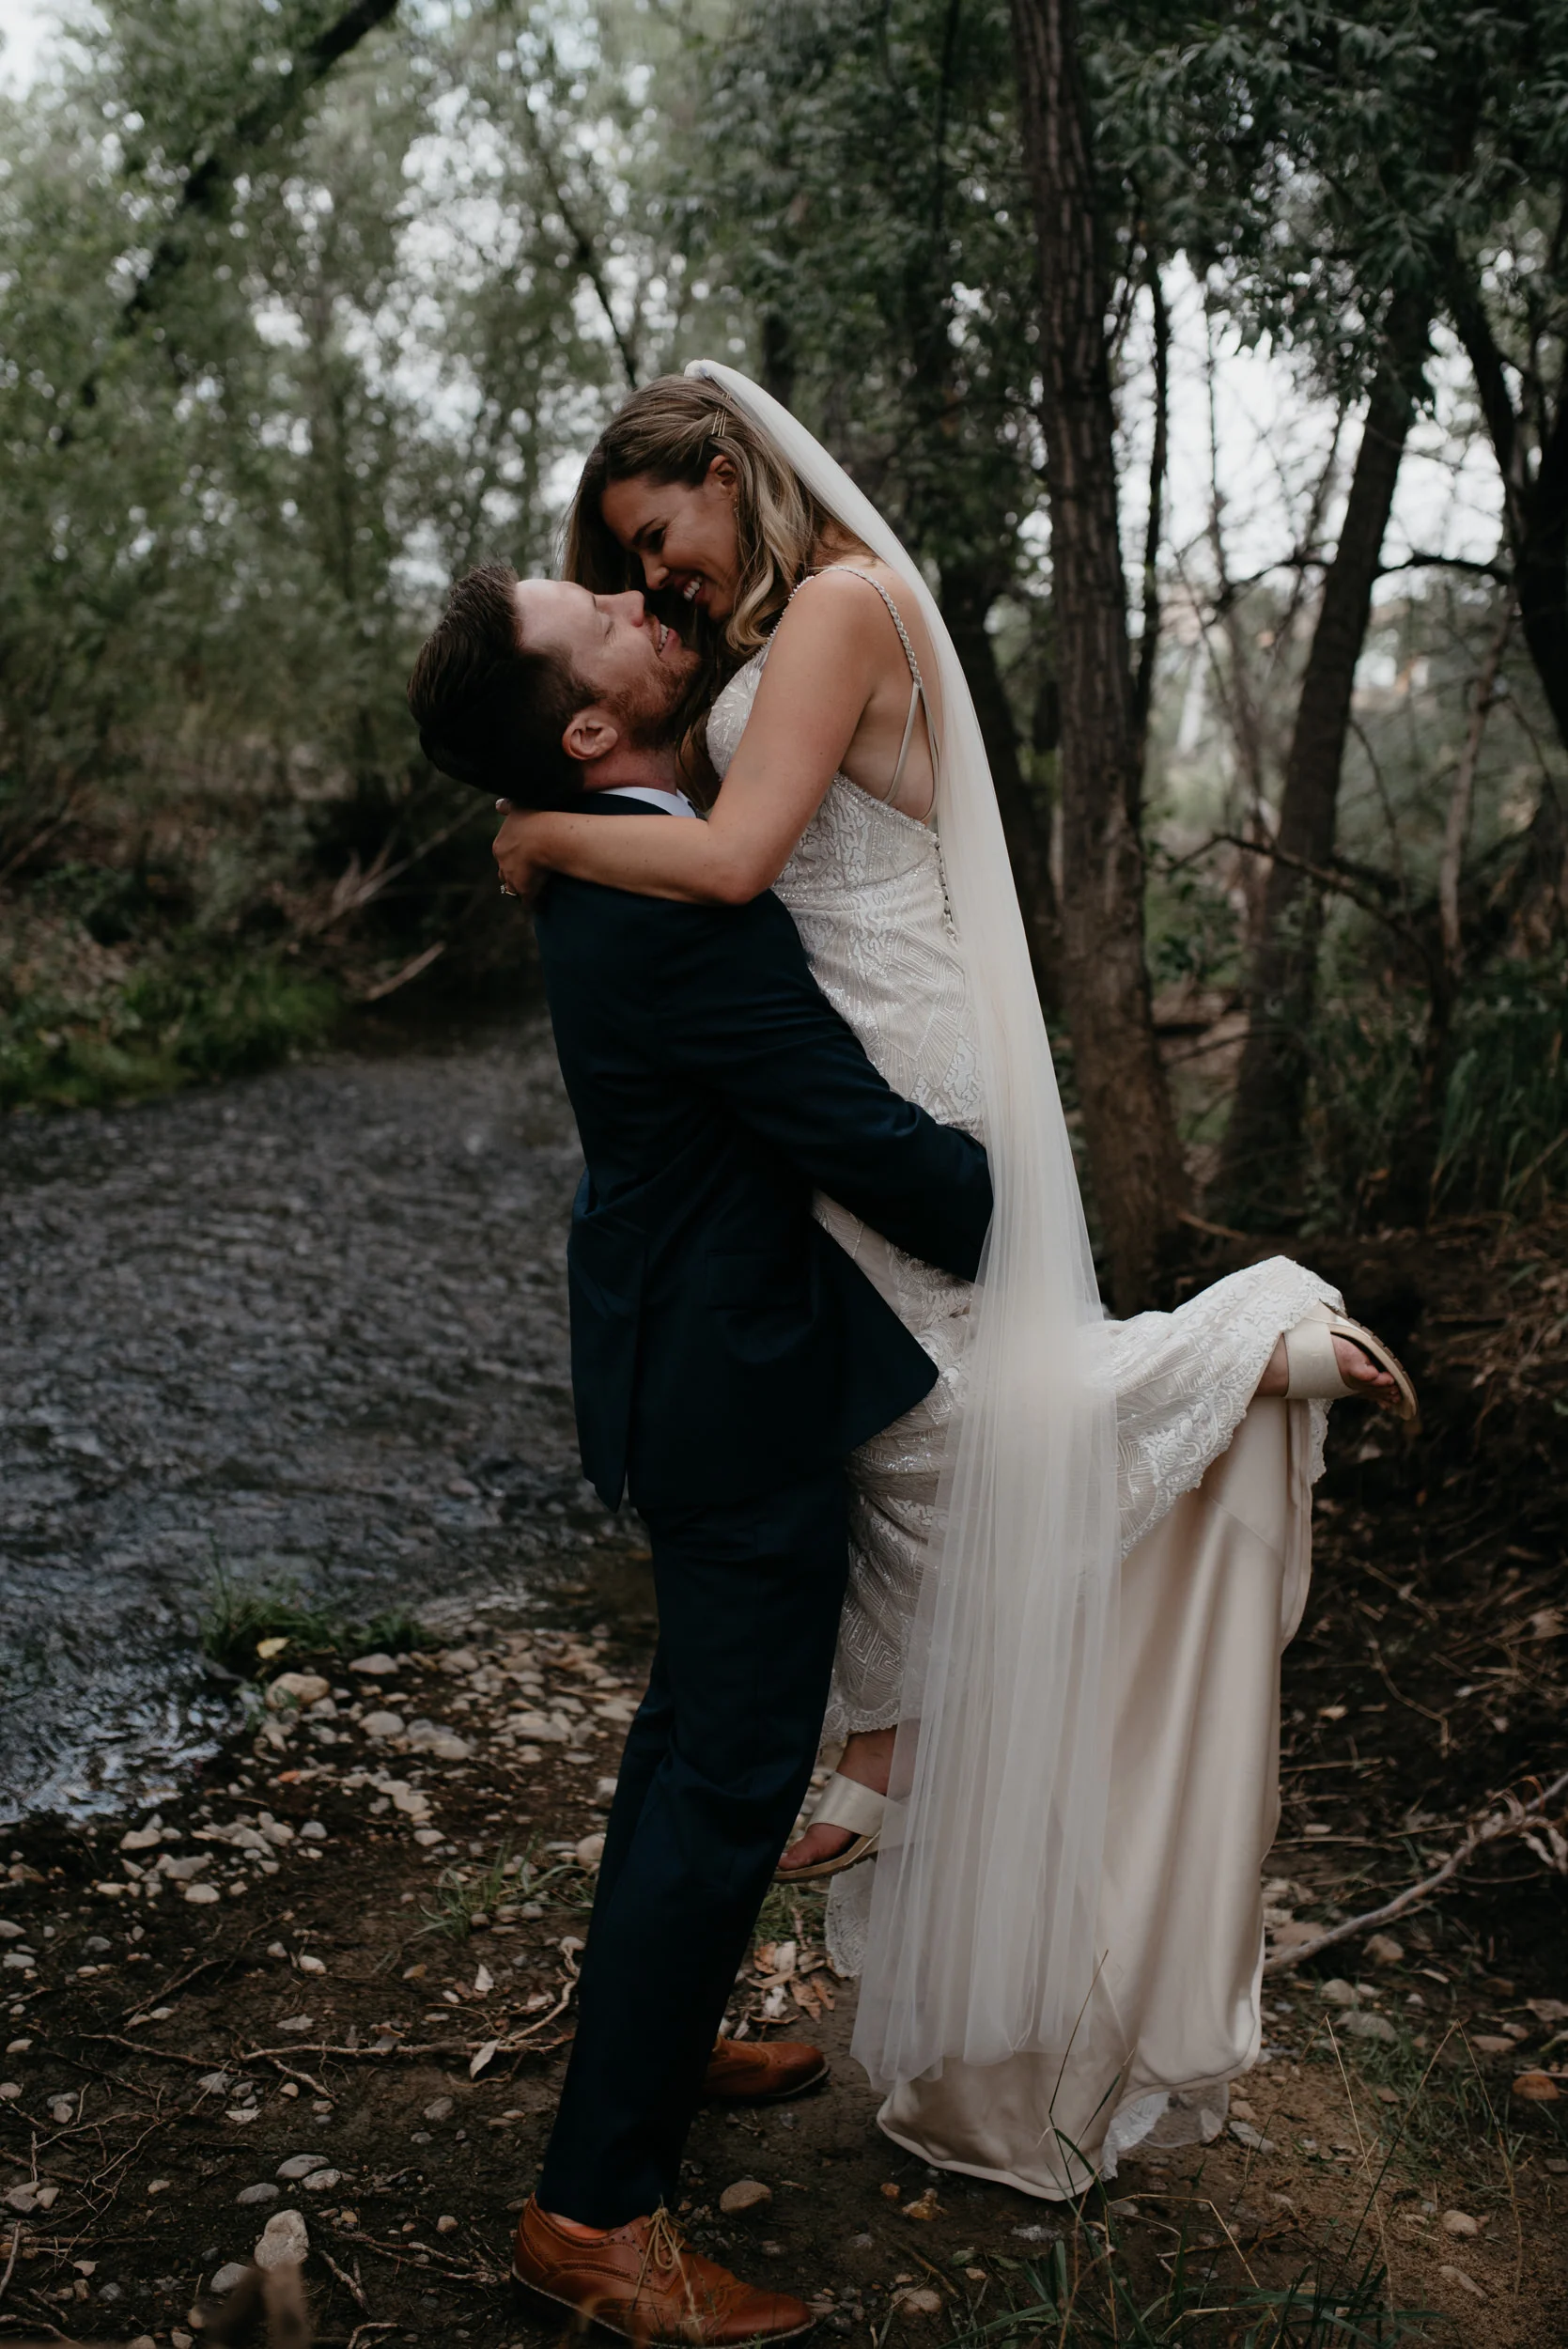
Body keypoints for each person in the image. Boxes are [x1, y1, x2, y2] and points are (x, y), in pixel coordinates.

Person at [487, 364, 1418, 2200]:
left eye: (655, 545)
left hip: (896, 1057)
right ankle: (895, 1737)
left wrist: (544, 833)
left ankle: (1250, 1343)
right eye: (625, 572)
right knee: (918, 1429)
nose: (659, 588)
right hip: (847, 1048)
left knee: (962, 1409)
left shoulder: (833, 601)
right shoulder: (795, 613)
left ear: (718, 470)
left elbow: (746, 855)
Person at [407, 566, 994, 2337]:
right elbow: (866, 1142)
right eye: (587, 608)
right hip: (736, 1389)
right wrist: (1017, 1188)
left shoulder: (620, 850)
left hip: (684, 1361)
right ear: (589, 728)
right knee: (727, 1779)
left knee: (685, 1761)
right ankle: (593, 2218)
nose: (627, 593)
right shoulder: (670, 902)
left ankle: (655, 2050)